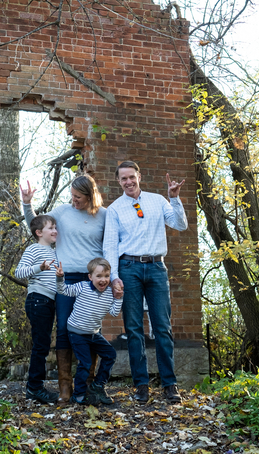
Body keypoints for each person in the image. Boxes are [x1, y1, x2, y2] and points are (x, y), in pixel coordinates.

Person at [103, 160, 188, 404]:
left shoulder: (158, 201)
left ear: (139, 176)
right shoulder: (115, 209)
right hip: (128, 268)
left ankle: (170, 384)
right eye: (123, 179)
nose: (128, 182)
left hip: (156, 267)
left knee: (162, 327)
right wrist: (114, 277)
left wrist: (174, 198)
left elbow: (180, 225)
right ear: (118, 181)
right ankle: (141, 385)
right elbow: (110, 245)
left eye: (132, 177)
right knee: (133, 329)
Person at [21, 175, 106, 403]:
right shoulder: (62, 211)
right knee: (65, 330)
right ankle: (65, 387)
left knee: (90, 330)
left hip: (92, 281)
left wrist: (110, 277)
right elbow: (36, 224)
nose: (74, 200)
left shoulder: (104, 215)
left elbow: (111, 245)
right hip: (64, 278)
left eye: (78, 197)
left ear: (90, 196)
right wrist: (27, 203)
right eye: (72, 196)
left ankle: (86, 385)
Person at [56, 257, 123, 405]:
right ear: (90, 277)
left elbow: (113, 313)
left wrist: (118, 298)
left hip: (93, 334)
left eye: (106, 276)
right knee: (85, 363)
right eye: (98, 276)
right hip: (77, 332)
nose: (103, 280)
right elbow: (63, 290)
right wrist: (60, 278)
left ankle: (98, 385)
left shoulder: (109, 293)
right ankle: (78, 394)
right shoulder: (82, 287)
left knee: (110, 354)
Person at [14, 214, 63, 404]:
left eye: (55, 227)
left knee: (43, 344)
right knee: (40, 345)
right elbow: (19, 272)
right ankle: (34, 388)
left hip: (49, 301)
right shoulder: (34, 249)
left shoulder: (55, 252)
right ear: (39, 232)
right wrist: (39, 267)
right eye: (51, 228)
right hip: (37, 300)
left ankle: (35, 387)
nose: (55, 231)